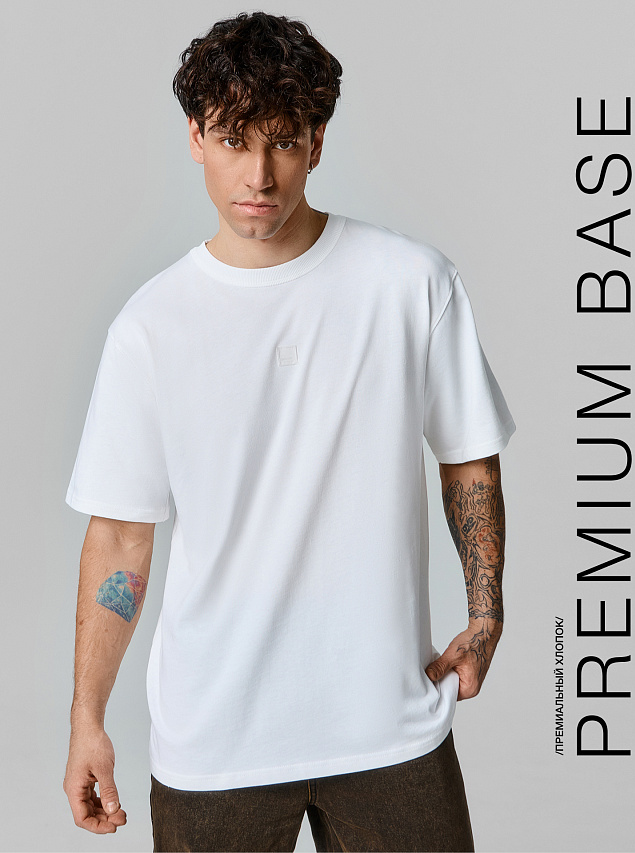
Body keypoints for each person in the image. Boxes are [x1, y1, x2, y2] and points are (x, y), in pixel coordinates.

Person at [62, 10, 516, 853]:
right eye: (234, 140)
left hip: (389, 724)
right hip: (215, 739)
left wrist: (486, 613)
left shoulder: (411, 284)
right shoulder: (150, 328)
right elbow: (121, 538)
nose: (260, 174)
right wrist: (87, 716)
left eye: (283, 141)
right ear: (195, 138)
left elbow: (468, 458)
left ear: (317, 140)